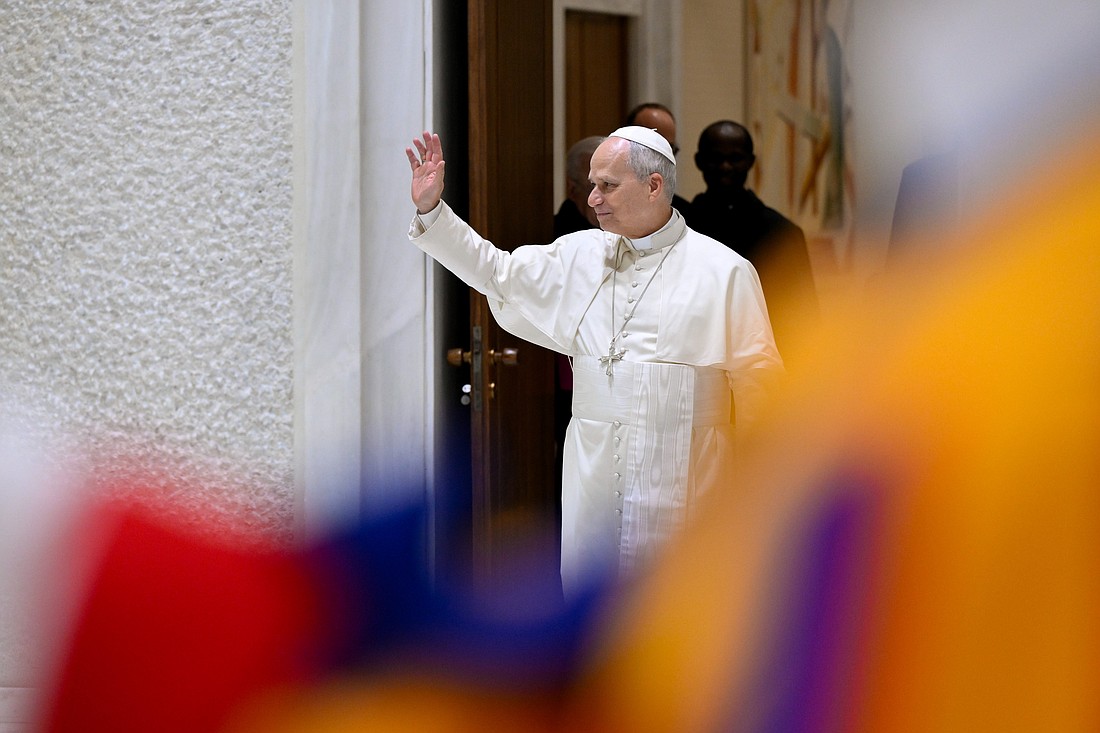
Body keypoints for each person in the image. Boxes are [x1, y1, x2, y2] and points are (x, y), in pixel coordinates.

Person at [406, 127, 782, 595]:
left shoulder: (725, 271)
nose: (593, 199)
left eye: (608, 185)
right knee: (591, 613)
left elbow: (759, 391)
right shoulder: (579, 254)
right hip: (594, 476)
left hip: (690, 480)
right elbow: (495, 273)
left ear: (653, 186)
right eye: (592, 184)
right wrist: (432, 212)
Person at [690, 120, 819, 360]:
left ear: (750, 162)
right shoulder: (682, 227)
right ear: (699, 161)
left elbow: (805, 319)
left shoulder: (783, 234)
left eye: (735, 158)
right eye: (715, 158)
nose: (725, 167)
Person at [623, 103, 692, 216]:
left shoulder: (685, 214)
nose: (659, 161)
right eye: (651, 149)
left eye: (668, 150)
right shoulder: (602, 205)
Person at [553, 135, 604, 238]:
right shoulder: (557, 239)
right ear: (572, 189)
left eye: (611, 185)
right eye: (593, 186)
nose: (602, 198)